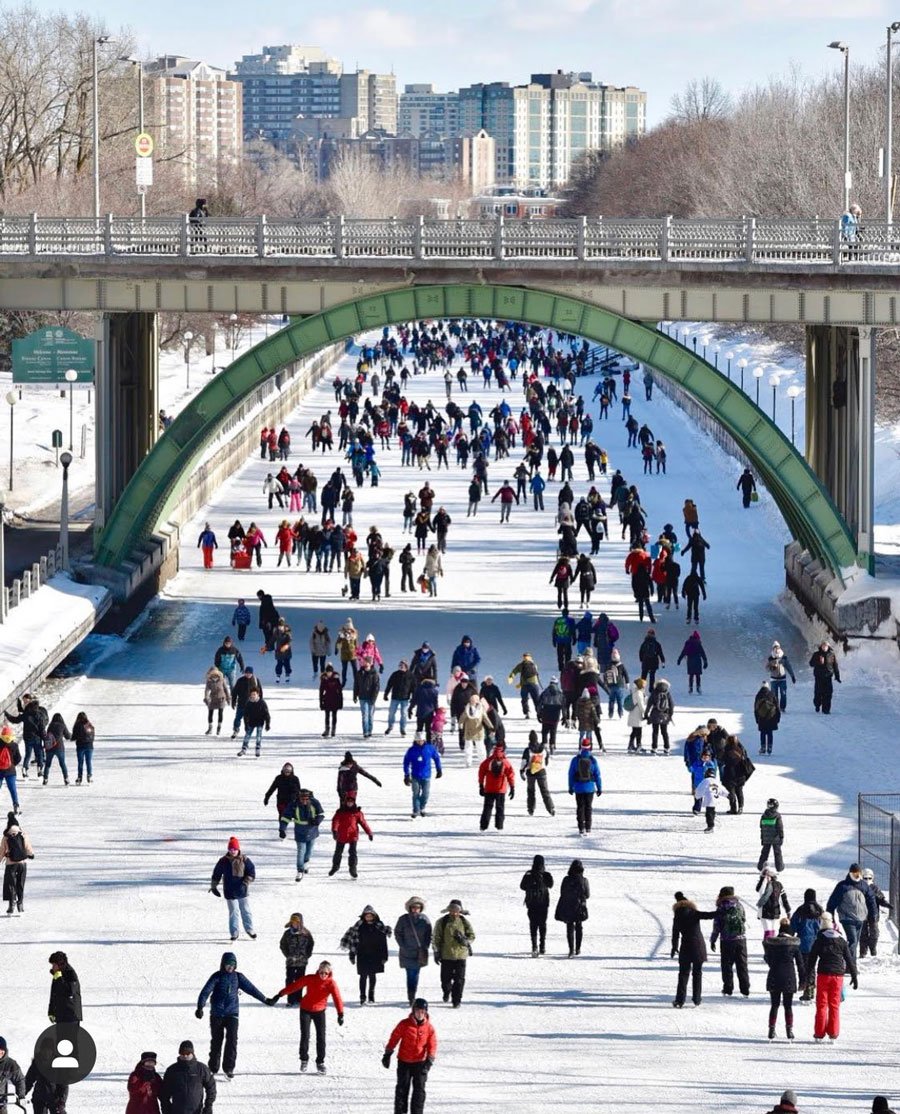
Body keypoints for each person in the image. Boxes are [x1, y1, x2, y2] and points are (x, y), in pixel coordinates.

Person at [195, 952, 268, 1079]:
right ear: (223, 964)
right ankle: (213, 1068)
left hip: (232, 1013)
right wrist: (200, 1007)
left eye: (232, 964)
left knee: (232, 1040)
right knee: (216, 1041)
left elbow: (252, 989)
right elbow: (206, 991)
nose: (230, 967)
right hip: (217, 1014)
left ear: (236, 965)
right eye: (228, 964)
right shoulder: (217, 976)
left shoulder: (238, 977)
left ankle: (229, 1068)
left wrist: (265, 999)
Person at [268, 960, 344, 1074]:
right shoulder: (310, 978)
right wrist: (279, 995)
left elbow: (337, 998)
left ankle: (320, 1062)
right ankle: (304, 1059)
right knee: (305, 1035)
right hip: (305, 1010)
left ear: (329, 973)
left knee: (321, 1037)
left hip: (320, 1011)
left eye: (325, 973)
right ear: (318, 971)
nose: (323, 975)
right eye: (321, 972)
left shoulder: (331, 983)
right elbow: (294, 986)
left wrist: (340, 1013)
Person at [808, 912, 857, 1041]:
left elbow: (811, 960)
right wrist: (854, 975)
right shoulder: (841, 940)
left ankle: (819, 1034)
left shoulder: (819, 940)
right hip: (838, 976)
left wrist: (808, 976)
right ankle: (833, 1034)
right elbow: (849, 959)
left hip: (823, 975)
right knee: (834, 1005)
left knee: (821, 1005)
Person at [382, 999, 437, 1114]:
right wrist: (388, 1053)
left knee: (419, 1091)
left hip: (420, 1063)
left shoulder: (429, 1028)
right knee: (402, 1089)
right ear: (413, 1011)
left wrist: (429, 1061)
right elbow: (394, 1038)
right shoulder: (404, 1024)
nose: (420, 1014)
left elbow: (432, 1045)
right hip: (404, 1062)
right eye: (417, 1011)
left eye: (422, 1011)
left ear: (426, 1012)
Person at [670, 891, 715, 1007]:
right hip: (698, 946)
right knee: (697, 973)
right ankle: (697, 999)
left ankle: (680, 1000)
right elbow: (708, 915)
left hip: (685, 947)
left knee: (683, 974)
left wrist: (674, 947)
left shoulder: (677, 916)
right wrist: (721, 912)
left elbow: (675, 934)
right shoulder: (694, 913)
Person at [340, 904, 392, 1005]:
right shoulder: (359, 926)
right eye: (367, 915)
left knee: (372, 975)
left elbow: (383, 942)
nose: (369, 917)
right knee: (363, 976)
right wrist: (352, 955)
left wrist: (385, 956)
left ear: (374, 916)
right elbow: (353, 942)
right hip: (362, 954)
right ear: (363, 916)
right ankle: (362, 996)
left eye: (370, 915)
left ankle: (371, 996)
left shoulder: (379, 926)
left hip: (375, 955)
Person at [826, 862, 878, 960]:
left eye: (858, 873)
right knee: (853, 940)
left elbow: (871, 900)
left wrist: (873, 915)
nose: (856, 875)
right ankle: (850, 966)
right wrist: (830, 918)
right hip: (847, 918)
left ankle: (850, 964)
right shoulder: (843, 886)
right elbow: (832, 903)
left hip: (860, 919)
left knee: (854, 942)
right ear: (850, 873)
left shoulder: (864, 885)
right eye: (854, 873)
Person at [210, 837, 256, 941]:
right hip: (229, 891)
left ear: (238, 849)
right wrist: (214, 886)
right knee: (233, 912)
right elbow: (216, 874)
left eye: (234, 849)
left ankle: (249, 929)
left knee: (245, 910)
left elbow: (252, 873)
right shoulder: (223, 861)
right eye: (230, 849)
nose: (232, 851)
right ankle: (234, 932)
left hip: (242, 891)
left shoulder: (244, 860)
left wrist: (245, 882)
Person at [432, 900, 475, 1008]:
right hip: (446, 955)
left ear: (460, 911)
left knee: (459, 980)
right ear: (449, 910)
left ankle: (457, 1000)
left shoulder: (464, 921)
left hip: (461, 955)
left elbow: (472, 935)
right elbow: (436, 938)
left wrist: (466, 941)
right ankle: (447, 992)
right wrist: (436, 952)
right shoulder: (442, 922)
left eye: (456, 910)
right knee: (445, 979)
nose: (454, 913)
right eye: (452, 910)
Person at [763, 921, 802, 1041]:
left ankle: (771, 1029)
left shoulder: (771, 945)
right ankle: (789, 1031)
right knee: (788, 1006)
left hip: (774, 976)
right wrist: (803, 981)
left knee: (774, 1005)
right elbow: (800, 965)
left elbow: (767, 959)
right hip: (789, 977)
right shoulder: (794, 946)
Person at [710, 885, 750, 997]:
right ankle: (745, 990)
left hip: (727, 940)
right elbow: (743, 918)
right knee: (742, 965)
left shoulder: (721, 907)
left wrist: (713, 940)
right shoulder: (739, 905)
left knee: (727, 965)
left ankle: (728, 989)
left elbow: (717, 925)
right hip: (741, 940)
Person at [282, 788, 325, 880]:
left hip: (312, 831)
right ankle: (300, 870)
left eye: (306, 799)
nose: (304, 801)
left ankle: (306, 862)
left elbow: (321, 814)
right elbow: (286, 817)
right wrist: (282, 829)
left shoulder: (315, 803)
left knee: (309, 851)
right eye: (302, 799)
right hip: (300, 832)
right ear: (299, 798)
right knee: (301, 851)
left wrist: (317, 821)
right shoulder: (293, 805)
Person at [790, 888, 824, 1001]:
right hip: (816, 942)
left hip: (803, 943)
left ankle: (806, 987)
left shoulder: (800, 910)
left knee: (804, 966)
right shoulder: (820, 910)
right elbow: (824, 925)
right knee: (812, 967)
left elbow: (793, 927)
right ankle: (810, 987)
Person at [4, 693, 48, 779]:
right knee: (39, 754)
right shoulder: (39, 715)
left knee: (28, 754)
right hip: (37, 738)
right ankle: (40, 770)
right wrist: (45, 739)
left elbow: (15, 720)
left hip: (27, 738)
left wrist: (7, 714)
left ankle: (24, 769)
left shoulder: (26, 714)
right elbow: (42, 728)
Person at [329, 794, 373, 877]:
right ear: (345, 802)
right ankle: (335, 867)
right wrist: (334, 831)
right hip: (341, 834)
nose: (349, 803)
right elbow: (335, 821)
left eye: (351, 802)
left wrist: (369, 833)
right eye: (348, 802)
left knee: (352, 852)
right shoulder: (340, 811)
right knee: (338, 852)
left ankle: (353, 868)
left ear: (354, 803)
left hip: (353, 835)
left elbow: (363, 823)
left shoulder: (357, 812)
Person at [554, 859, 590, 958]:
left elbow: (562, 892)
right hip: (579, 907)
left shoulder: (566, 879)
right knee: (579, 926)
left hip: (568, 905)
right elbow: (587, 895)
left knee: (569, 927)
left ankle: (571, 950)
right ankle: (578, 948)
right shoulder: (584, 880)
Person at [520, 854, 554, 957]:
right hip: (543, 904)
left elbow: (522, 886)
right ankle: (542, 946)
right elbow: (551, 885)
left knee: (533, 925)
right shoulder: (546, 875)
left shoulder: (528, 874)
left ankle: (534, 946)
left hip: (531, 904)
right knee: (542, 924)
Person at [403, 732, 442, 818]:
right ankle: (416, 810)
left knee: (425, 794)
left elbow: (436, 758)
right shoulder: (411, 750)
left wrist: (439, 769)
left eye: (421, 740)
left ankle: (422, 807)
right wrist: (406, 775)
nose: (420, 742)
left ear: (424, 740)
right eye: (418, 740)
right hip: (415, 776)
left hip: (426, 775)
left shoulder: (429, 748)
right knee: (415, 793)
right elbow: (406, 762)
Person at [478, 742, 515, 831]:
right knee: (500, 808)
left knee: (487, 807)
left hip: (489, 789)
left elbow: (481, 772)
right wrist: (512, 787)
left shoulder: (488, 761)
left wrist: (481, 785)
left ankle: (483, 826)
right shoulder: (505, 762)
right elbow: (510, 775)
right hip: (500, 789)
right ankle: (499, 825)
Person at [2, 810, 33, 914]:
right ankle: (20, 905)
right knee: (20, 884)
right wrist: (31, 854)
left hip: (11, 864)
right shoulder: (23, 834)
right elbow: (27, 847)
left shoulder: (6, 836)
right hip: (22, 863)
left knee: (11, 885)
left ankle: (11, 906)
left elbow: (2, 850)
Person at [568, 739, 602, 835]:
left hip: (578, 787)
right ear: (590, 747)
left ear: (581, 746)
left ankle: (581, 828)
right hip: (590, 787)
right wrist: (599, 788)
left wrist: (571, 787)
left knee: (580, 807)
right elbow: (597, 775)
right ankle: (588, 827)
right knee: (588, 807)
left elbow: (570, 774)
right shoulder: (593, 760)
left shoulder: (575, 760)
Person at [280, 913, 315, 1004]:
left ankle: (299, 998)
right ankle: (290, 999)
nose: (295, 924)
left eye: (297, 922)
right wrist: (288, 955)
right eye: (293, 922)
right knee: (290, 980)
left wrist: (307, 955)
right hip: (291, 962)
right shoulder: (287, 933)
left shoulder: (306, 933)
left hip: (302, 962)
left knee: (300, 980)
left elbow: (311, 944)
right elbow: (282, 945)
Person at [520, 730, 554, 816]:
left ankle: (531, 809)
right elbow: (547, 758)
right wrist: (544, 764)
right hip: (541, 772)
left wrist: (522, 771)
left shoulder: (528, 750)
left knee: (531, 791)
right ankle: (551, 808)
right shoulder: (543, 749)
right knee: (545, 791)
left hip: (531, 773)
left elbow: (524, 762)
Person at [859, 867, 890, 957]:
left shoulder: (875, 888)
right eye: (865, 878)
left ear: (872, 878)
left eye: (869, 878)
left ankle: (873, 949)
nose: (867, 880)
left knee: (875, 933)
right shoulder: (859, 888)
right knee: (863, 934)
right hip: (862, 914)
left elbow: (881, 898)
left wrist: (885, 903)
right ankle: (863, 952)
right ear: (862, 877)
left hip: (873, 914)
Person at [756, 868, 791, 940]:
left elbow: (783, 898)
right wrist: (788, 910)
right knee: (770, 932)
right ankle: (770, 947)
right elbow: (784, 899)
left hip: (768, 911)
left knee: (770, 932)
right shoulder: (770, 884)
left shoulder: (775, 885)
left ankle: (770, 947)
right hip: (771, 911)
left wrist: (788, 910)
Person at [230, 666, 262, 740]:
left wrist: (260, 702)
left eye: (249, 673)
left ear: (252, 673)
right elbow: (235, 692)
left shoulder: (256, 680)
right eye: (246, 673)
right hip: (241, 703)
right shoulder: (240, 680)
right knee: (238, 718)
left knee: (247, 719)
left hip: (251, 704)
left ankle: (247, 732)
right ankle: (236, 730)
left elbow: (260, 692)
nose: (247, 674)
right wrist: (233, 701)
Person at [809, 641, 841, 714]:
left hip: (828, 677)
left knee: (828, 694)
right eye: (823, 646)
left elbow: (835, 665)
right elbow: (811, 663)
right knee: (818, 694)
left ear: (828, 647)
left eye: (826, 646)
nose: (824, 647)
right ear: (821, 646)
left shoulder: (832, 654)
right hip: (819, 677)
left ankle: (826, 710)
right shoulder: (816, 654)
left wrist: (837, 676)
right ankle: (817, 705)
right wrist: (818, 662)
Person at [237, 689, 270, 757]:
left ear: (257, 694)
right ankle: (244, 748)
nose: (253, 696)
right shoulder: (249, 703)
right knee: (247, 736)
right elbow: (245, 715)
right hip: (251, 722)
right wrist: (246, 724)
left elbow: (266, 714)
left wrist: (267, 724)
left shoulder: (262, 703)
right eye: (252, 695)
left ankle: (257, 748)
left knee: (258, 736)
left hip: (260, 722)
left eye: (254, 694)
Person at [645, 677, 674, 754]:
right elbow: (671, 705)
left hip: (655, 714)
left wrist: (646, 714)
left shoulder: (654, 692)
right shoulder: (667, 693)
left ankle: (654, 748)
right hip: (665, 714)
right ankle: (667, 747)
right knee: (664, 732)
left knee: (655, 732)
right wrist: (670, 714)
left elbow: (649, 704)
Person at [765, 641, 796, 711]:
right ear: (773, 649)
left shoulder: (784, 658)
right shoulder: (770, 658)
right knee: (774, 695)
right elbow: (766, 668)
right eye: (775, 648)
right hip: (773, 680)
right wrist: (771, 668)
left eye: (777, 648)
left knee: (783, 694)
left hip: (782, 679)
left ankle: (782, 708)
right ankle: (775, 708)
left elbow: (789, 667)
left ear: (780, 648)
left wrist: (792, 676)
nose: (776, 649)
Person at [353, 660, 380, 739]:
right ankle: (365, 732)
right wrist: (355, 695)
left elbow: (376, 687)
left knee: (370, 716)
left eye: (367, 663)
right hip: (362, 697)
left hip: (371, 698)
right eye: (364, 662)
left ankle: (370, 730)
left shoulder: (374, 673)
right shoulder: (359, 673)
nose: (365, 664)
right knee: (365, 715)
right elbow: (356, 685)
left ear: (370, 663)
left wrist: (374, 698)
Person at [41, 712, 70, 786]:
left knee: (48, 764)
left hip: (50, 747)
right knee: (62, 764)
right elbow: (67, 736)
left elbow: (47, 736)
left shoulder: (50, 726)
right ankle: (66, 779)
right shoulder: (62, 725)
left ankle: (45, 779)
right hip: (59, 747)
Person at [677, 630, 708, 695]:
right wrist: (705, 661)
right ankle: (698, 687)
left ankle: (690, 688)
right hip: (697, 660)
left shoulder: (688, 642)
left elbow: (684, 651)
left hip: (690, 660)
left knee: (691, 675)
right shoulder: (698, 643)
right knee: (698, 675)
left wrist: (679, 659)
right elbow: (702, 652)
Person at [758, 798, 785, 872]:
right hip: (775, 838)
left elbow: (761, 827)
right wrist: (781, 836)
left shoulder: (764, 815)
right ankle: (779, 867)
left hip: (766, 838)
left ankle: (760, 866)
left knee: (764, 853)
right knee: (777, 853)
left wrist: (762, 838)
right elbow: (780, 827)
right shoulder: (777, 816)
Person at [754, 682, 781, 756]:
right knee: (770, 733)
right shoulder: (772, 694)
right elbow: (777, 707)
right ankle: (769, 747)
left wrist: (757, 719)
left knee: (762, 733)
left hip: (761, 717)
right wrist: (777, 718)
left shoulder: (758, 695)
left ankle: (763, 747)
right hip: (771, 717)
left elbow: (756, 709)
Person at [0, 1037, 26, 1112]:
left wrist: (21, 1096)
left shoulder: (10, 1064)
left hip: (1, 1103)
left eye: (2, 1050)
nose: (0, 1052)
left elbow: (20, 1080)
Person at [0, 725, 21, 812]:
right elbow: (18, 758)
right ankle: (16, 805)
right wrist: (12, 764)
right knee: (12, 789)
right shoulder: (14, 745)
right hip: (10, 771)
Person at [203, 667, 229, 736]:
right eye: (212, 673)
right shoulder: (209, 681)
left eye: (215, 673)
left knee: (220, 713)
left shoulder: (222, 680)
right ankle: (210, 728)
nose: (214, 675)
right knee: (210, 713)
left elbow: (226, 688)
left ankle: (219, 727)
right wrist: (206, 697)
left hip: (221, 698)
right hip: (213, 698)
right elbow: (207, 690)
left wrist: (228, 697)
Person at [695, 767, 722, 832]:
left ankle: (710, 826)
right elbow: (722, 789)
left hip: (709, 800)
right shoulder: (716, 781)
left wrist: (697, 796)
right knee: (711, 811)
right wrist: (728, 795)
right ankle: (712, 821)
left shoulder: (705, 781)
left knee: (708, 813)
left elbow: (699, 790)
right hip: (715, 799)